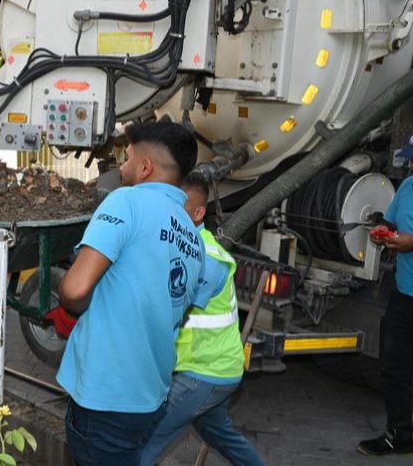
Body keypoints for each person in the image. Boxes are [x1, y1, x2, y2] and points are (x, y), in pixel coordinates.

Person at [56, 121, 205, 465]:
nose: (120, 168)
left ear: (145, 166)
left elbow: (75, 288)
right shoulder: (193, 236)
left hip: (105, 395)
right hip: (149, 394)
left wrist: (69, 303)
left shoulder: (126, 201)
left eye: (126, 158)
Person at [140, 173, 263, 466]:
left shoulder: (207, 259)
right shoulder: (179, 249)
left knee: (147, 439)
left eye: (178, 209)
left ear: (198, 213)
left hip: (205, 372)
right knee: (225, 439)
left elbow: (169, 312)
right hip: (209, 370)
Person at [357, 135, 413, 456]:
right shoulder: (407, 188)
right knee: (395, 366)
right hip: (405, 293)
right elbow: (392, 223)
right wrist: (383, 234)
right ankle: (400, 433)